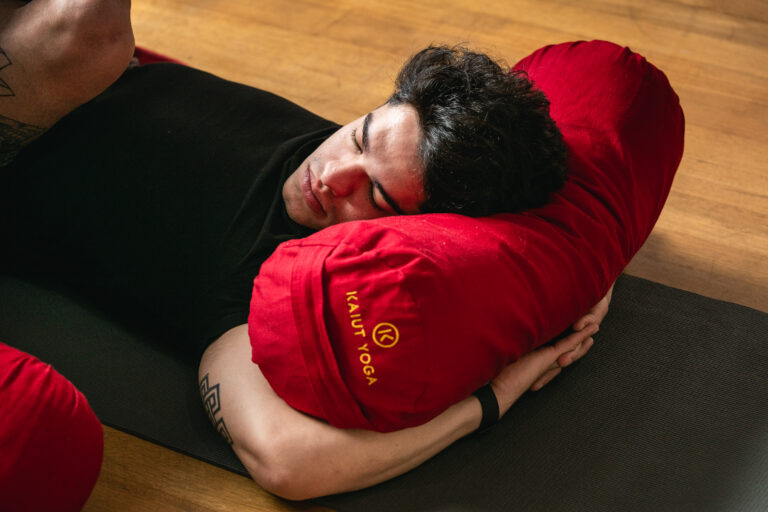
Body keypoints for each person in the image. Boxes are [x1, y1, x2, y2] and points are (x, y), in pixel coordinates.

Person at [0, 0, 611, 500]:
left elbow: (291, 462)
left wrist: (491, 399)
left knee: (85, 29)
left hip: (17, 140)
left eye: (374, 195)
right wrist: (594, 270)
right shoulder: (371, 152)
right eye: (361, 135)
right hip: (59, 66)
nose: (334, 174)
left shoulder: (262, 291)